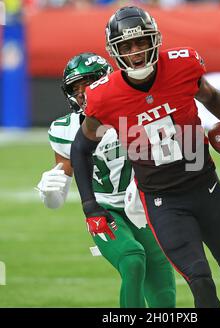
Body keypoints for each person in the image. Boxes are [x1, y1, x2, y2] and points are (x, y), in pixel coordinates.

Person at [70, 7, 220, 308]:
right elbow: (81, 147)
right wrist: (90, 206)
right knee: (200, 281)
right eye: (127, 46)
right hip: (162, 200)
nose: (136, 52)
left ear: (154, 40)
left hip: (205, 185)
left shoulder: (182, 66)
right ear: (115, 51)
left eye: (141, 42)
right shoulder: (104, 96)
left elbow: (211, 97)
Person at [36, 52, 176, 308]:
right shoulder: (63, 129)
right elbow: (57, 199)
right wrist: (49, 193)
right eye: (75, 87)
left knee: (163, 295)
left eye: (88, 83)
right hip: (103, 210)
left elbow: (170, 159)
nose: (81, 92)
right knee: (132, 260)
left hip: (145, 205)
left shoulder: (138, 111)